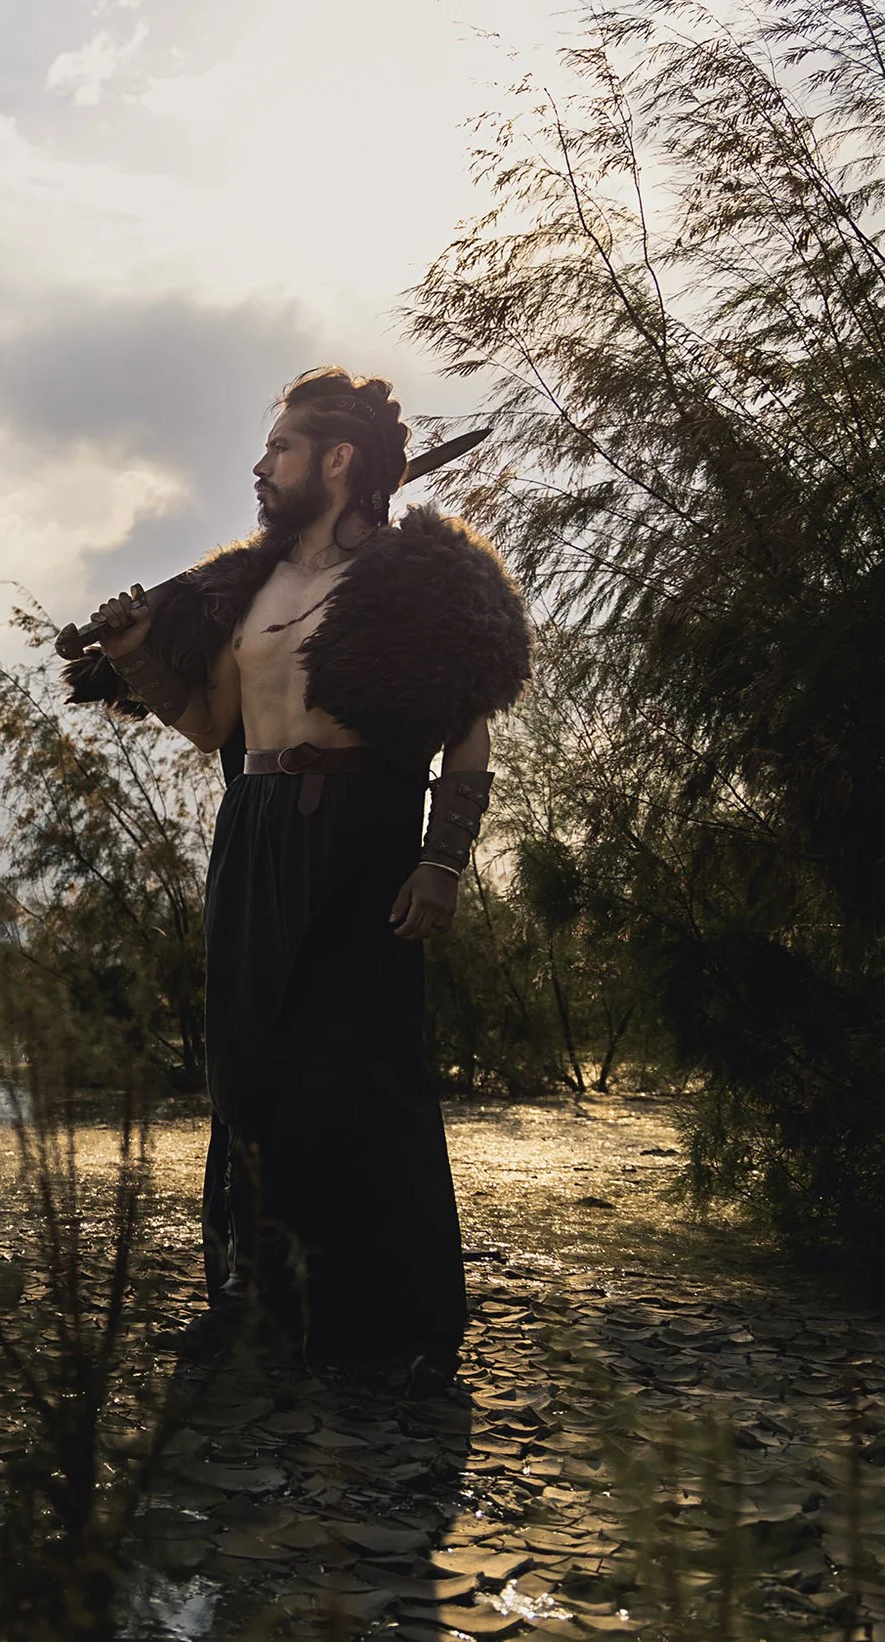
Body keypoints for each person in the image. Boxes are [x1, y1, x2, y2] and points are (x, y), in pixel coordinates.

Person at [57, 368, 530, 1389]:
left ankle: (399, 1327)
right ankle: (256, 1300)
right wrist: (137, 655)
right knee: (250, 1067)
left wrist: (441, 861)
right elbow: (213, 727)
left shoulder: (412, 582)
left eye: (280, 448)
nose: (261, 465)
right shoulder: (256, 586)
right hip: (256, 826)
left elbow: (467, 737)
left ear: (338, 459)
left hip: (363, 832)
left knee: (367, 1071)